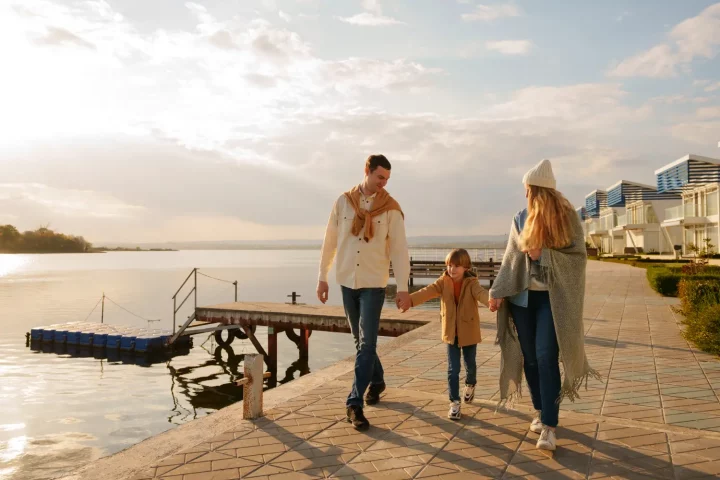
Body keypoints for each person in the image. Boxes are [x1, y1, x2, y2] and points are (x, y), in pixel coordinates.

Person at [488, 159, 599, 452]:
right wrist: (497, 291)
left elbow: (578, 258)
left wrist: (544, 256)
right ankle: (539, 410)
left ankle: (550, 426)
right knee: (531, 358)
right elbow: (511, 258)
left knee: (546, 356)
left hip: (553, 300)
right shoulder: (520, 218)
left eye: (528, 190)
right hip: (522, 299)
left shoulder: (567, 218)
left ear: (539, 191)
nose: (525, 195)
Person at [317, 154, 411, 431]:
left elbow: (399, 250)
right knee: (361, 342)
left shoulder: (391, 209)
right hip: (347, 280)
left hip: (373, 283)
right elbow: (330, 242)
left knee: (367, 343)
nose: (384, 183)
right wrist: (322, 278)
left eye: (387, 179)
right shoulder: (343, 202)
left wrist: (403, 289)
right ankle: (378, 381)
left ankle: (354, 403)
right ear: (367, 171)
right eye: (380, 177)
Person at [402, 248, 489, 420]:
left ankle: (470, 384)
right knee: (453, 369)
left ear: (465, 267)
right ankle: (454, 403)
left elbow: (481, 294)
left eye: (457, 266)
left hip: (469, 331)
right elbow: (427, 291)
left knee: (470, 365)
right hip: (451, 333)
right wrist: (410, 301)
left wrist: (491, 301)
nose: (452, 269)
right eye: (449, 265)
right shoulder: (443, 282)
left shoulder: (472, 283)